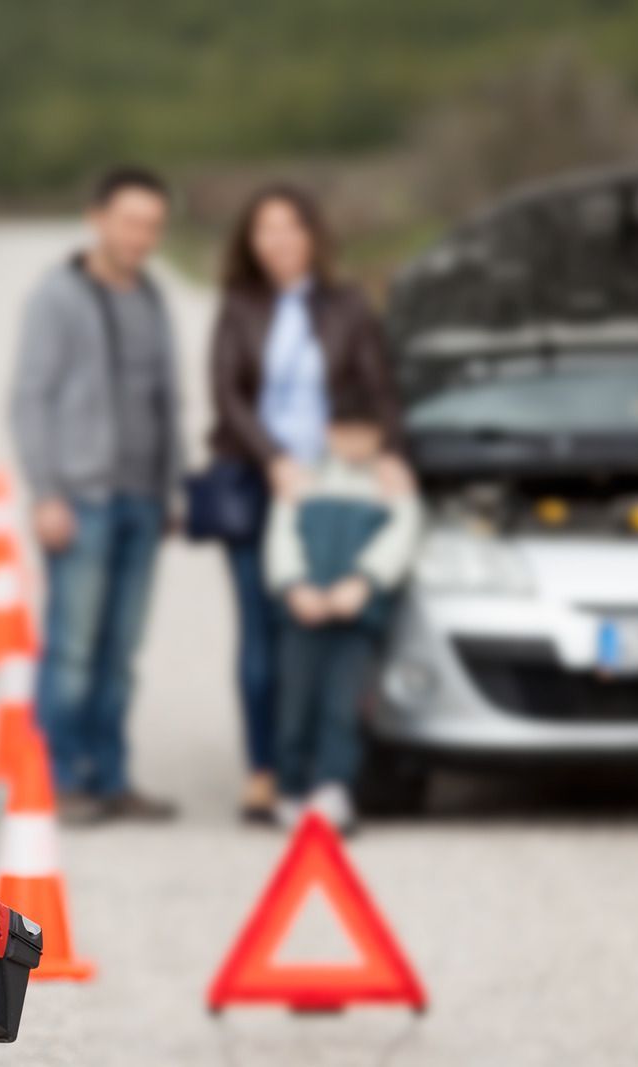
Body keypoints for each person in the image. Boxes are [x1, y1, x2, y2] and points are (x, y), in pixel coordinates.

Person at [206, 183, 402, 823]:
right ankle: (266, 771)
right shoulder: (238, 306)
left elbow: (377, 387)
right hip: (256, 482)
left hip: (328, 490)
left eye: (291, 227)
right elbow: (228, 395)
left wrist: (390, 454)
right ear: (250, 241)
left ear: (312, 235)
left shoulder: (347, 305)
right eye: (266, 229)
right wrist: (275, 461)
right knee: (262, 636)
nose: (280, 241)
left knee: (326, 630)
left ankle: (326, 772)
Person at [9, 166, 183, 824]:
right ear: (99, 218)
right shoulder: (58, 296)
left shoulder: (152, 296)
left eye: (153, 226)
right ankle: (60, 778)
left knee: (120, 653)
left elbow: (167, 398)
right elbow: (31, 399)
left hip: (142, 497)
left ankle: (111, 777)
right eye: (132, 221)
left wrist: (170, 489)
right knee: (75, 648)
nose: (142, 236)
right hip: (81, 499)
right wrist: (46, 492)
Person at [265, 387, 422, 834]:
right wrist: (294, 586)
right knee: (295, 703)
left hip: (355, 618)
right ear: (328, 433)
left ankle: (333, 788)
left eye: (364, 434)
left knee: (343, 705)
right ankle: (291, 788)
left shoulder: (389, 485)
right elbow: (281, 537)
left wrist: (364, 582)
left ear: (378, 436)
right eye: (344, 432)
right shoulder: (305, 481)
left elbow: (402, 536)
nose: (354, 443)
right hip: (303, 615)